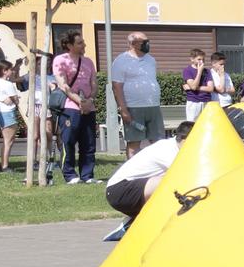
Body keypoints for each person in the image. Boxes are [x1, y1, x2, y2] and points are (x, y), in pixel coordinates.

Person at [103, 120, 191, 219]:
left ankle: (139, 222)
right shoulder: (167, 150)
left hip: (126, 189)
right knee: (174, 182)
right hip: (119, 191)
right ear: (185, 140)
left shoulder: (172, 146)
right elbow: (188, 174)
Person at [52, 32, 98, 184]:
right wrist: (79, 101)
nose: (84, 45)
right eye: (80, 43)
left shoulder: (89, 62)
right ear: (69, 45)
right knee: (69, 141)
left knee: (89, 143)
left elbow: (94, 83)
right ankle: (70, 175)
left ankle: (87, 175)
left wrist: (89, 101)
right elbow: (63, 85)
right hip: (70, 108)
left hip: (89, 108)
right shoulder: (60, 60)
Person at [110, 32, 164, 156]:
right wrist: (123, 110)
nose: (147, 44)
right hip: (133, 108)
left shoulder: (151, 60)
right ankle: (132, 174)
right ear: (133, 44)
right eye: (144, 42)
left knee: (158, 142)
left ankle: (157, 172)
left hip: (153, 106)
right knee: (134, 143)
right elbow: (116, 87)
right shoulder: (121, 61)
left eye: (148, 41)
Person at [0, 55, 23, 174]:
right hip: (7, 114)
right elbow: (15, 100)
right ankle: (4, 165)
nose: (11, 72)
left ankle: (4, 163)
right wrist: (14, 99)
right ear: (4, 71)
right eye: (9, 70)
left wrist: (17, 65)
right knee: (8, 141)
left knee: (7, 140)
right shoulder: (8, 84)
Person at [180, 48, 211, 122]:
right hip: (194, 102)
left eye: (203, 60)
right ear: (192, 59)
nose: (202, 62)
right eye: (199, 59)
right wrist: (199, 72)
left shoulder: (207, 71)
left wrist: (194, 87)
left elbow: (210, 88)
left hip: (206, 101)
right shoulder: (187, 70)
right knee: (192, 125)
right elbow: (193, 86)